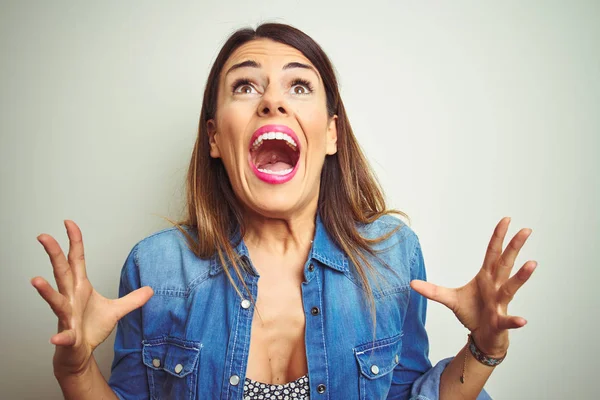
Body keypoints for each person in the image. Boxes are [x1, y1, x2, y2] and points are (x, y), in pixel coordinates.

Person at [31, 23, 536, 400]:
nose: (272, 101)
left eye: (299, 86)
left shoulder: (391, 257)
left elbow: (408, 394)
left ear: (331, 133)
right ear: (214, 137)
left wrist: (484, 348)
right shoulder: (156, 270)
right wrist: (75, 370)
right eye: (245, 86)